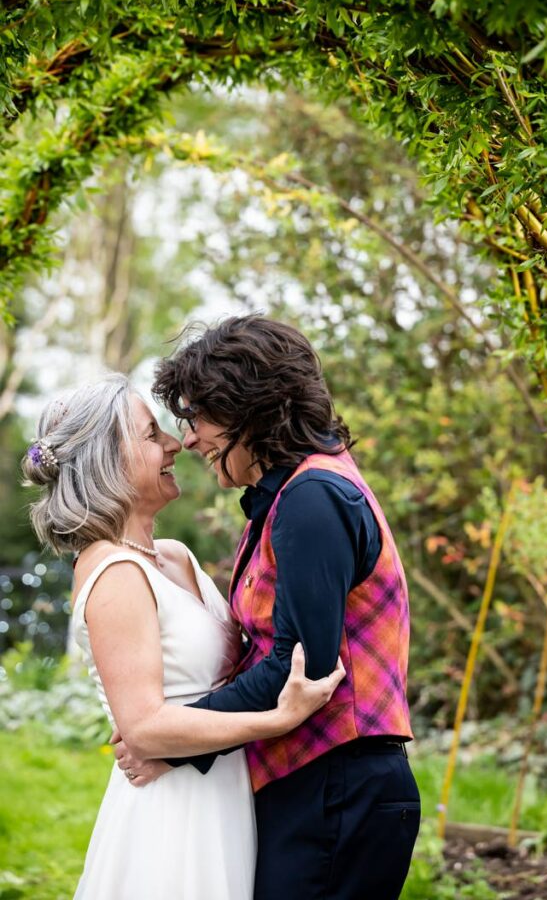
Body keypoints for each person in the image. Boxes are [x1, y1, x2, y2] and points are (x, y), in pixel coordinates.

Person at [117, 315, 421, 900]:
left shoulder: (313, 497)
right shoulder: (291, 495)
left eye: (198, 416)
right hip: (315, 786)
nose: (190, 438)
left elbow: (299, 668)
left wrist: (174, 743)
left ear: (248, 410)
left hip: (340, 790)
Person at [22, 373, 344, 900]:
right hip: (173, 816)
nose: (176, 443)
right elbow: (144, 729)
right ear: (107, 460)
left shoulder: (173, 555)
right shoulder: (113, 573)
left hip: (226, 794)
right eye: (152, 435)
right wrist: (280, 717)